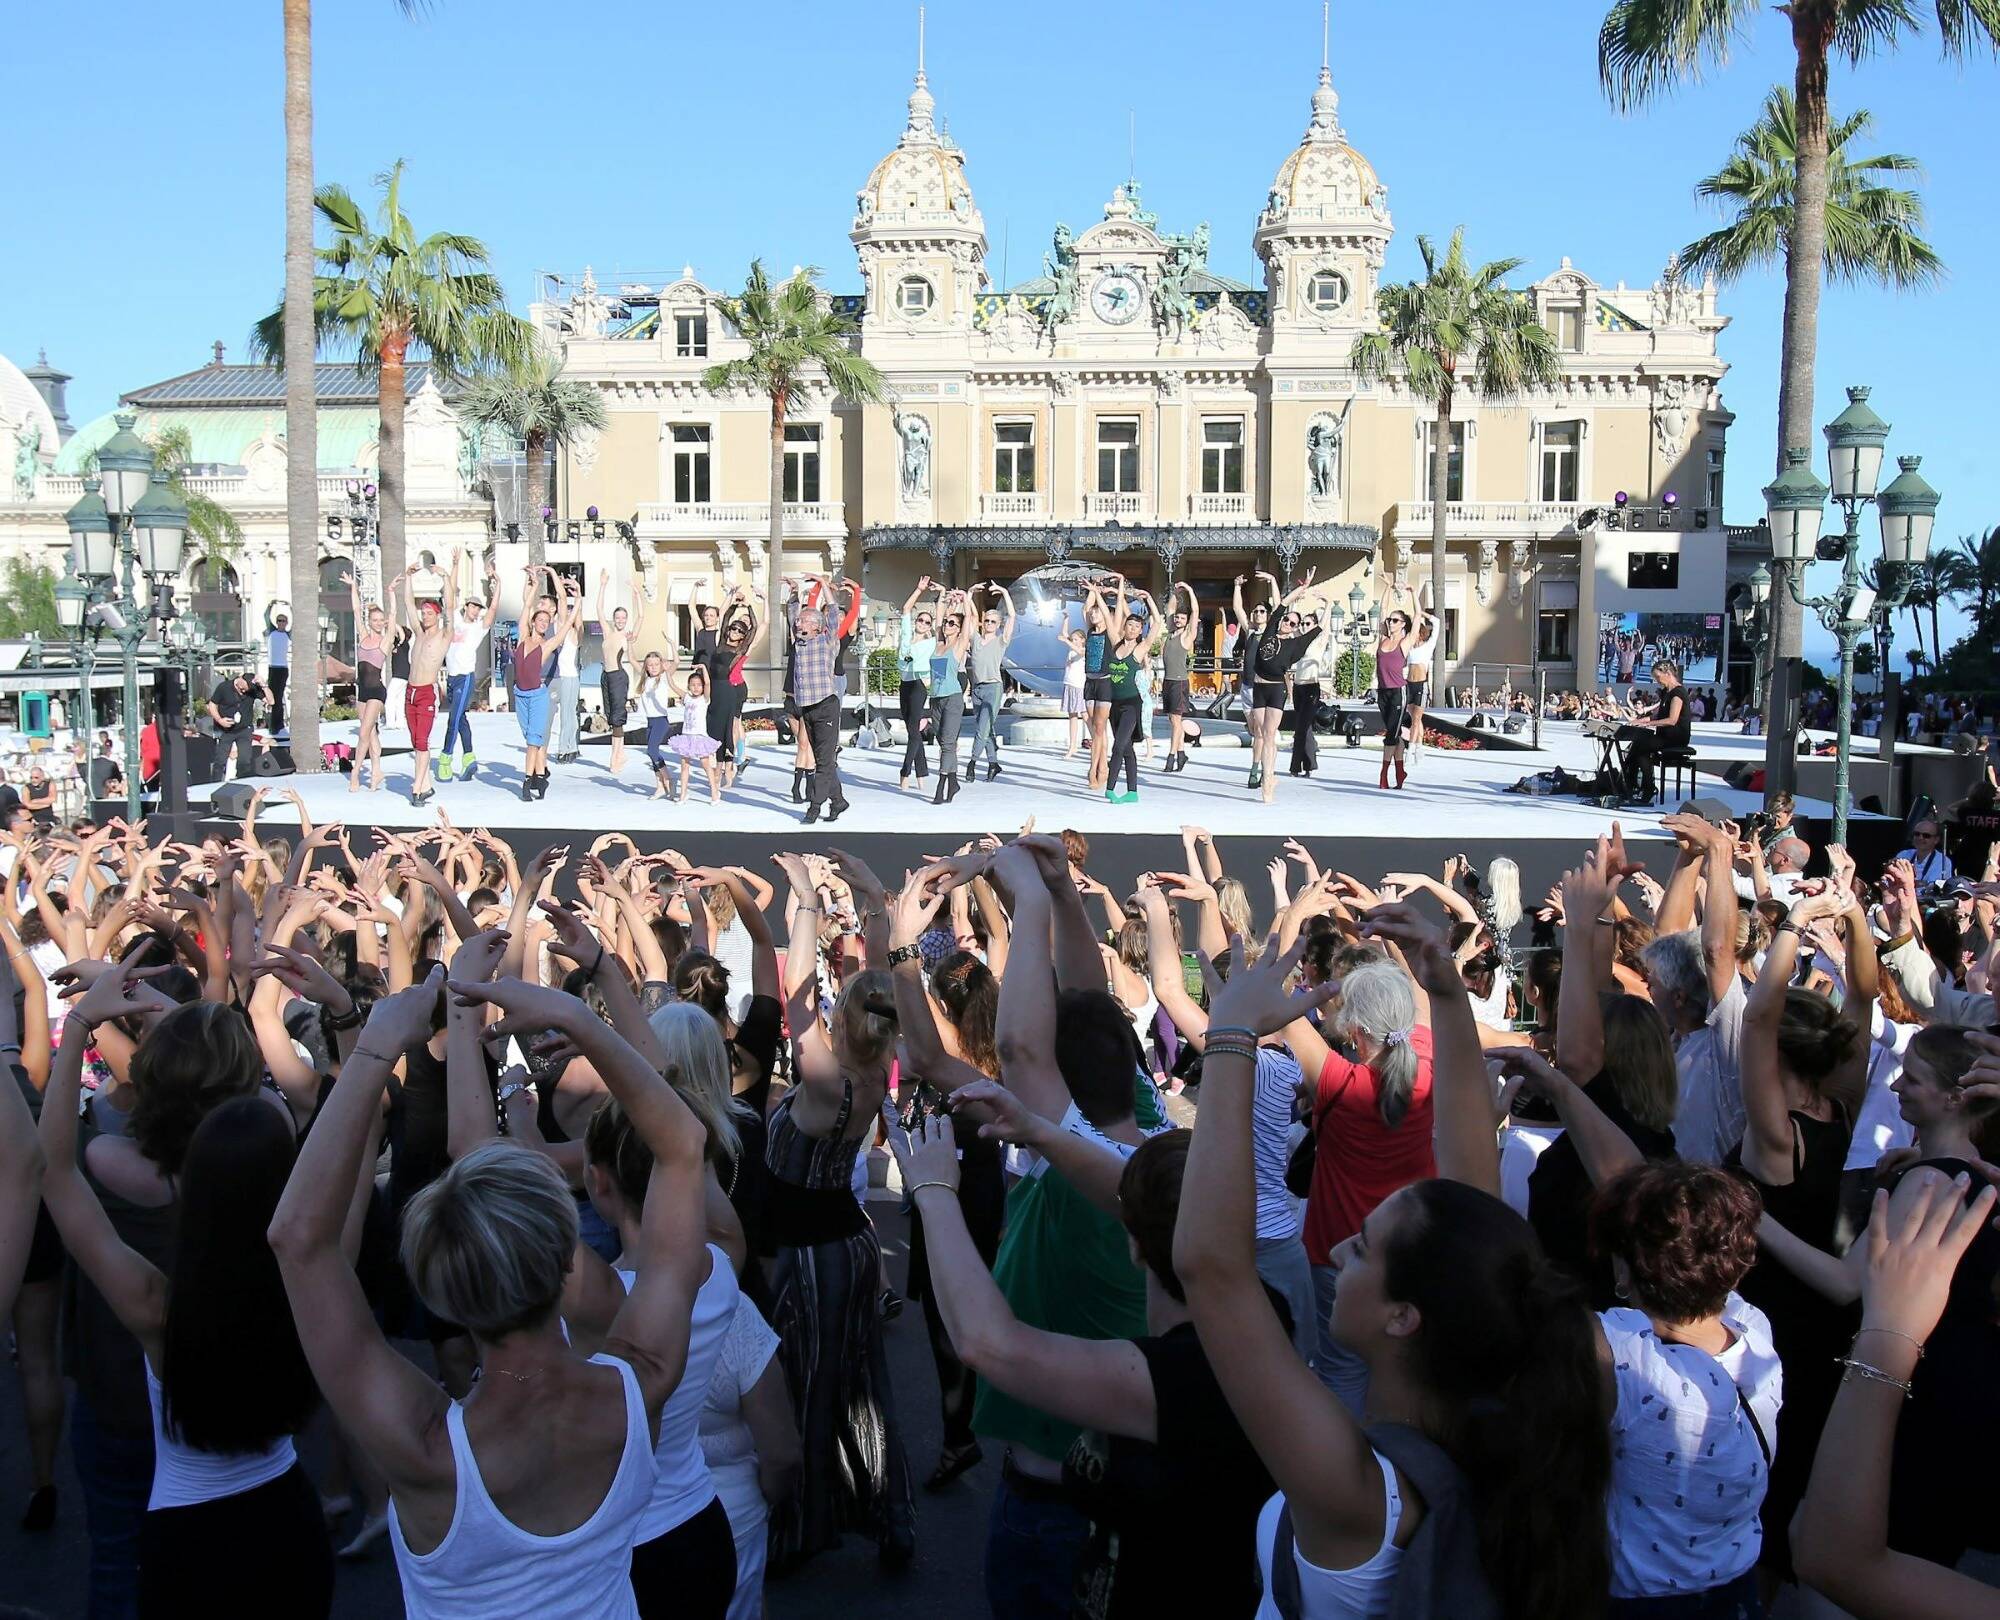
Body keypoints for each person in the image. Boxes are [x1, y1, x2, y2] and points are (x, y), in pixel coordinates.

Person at [1175, 916, 1612, 1620]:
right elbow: (1476, 1199)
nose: (1348, 1245)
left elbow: (1211, 1269)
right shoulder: (1527, 1443)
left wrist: (1231, 1033)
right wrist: (1442, 990)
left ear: (1403, 1316)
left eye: (1365, 1247)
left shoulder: (1348, 1492)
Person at [270, 962, 715, 1620]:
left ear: (444, 1296)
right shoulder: (641, 1382)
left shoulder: (425, 1451)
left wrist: (371, 1047)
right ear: (567, 1255)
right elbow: (682, 1144)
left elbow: (299, 1240)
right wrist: (579, 1019)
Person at [894, 1106, 1279, 1620]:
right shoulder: (1267, 1315)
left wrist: (934, 1191)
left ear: (1135, 1245)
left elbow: (986, 1342)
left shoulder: (1174, 1376)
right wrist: (1038, 1131)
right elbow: (1143, 1200)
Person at [39, 959, 332, 1618]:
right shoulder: (306, 1269)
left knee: (115, 1569)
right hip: (287, 1521)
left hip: (189, 1534)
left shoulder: (153, 1305)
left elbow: (52, 1170)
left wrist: (84, 1020)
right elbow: (258, 1103)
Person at [763, 853, 914, 1570]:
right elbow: (886, 987)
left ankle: (804, 1524)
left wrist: (805, 904)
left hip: (814, 1255)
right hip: (844, 1244)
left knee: (811, 1388)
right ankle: (887, 1516)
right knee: (860, 1383)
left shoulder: (826, 1082)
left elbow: (794, 997)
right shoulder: (869, 1070)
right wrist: (867, 893)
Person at [1244, 574, 1327, 805]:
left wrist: (1327, 605)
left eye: (1293, 623)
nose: (1287, 623)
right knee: (1259, 732)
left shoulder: (1296, 644)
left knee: (1270, 735)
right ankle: (1265, 773)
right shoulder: (1270, 630)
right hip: (1259, 688)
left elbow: (1320, 628)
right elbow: (1281, 604)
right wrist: (1299, 588)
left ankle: (1267, 779)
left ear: (1295, 628)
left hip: (1276, 689)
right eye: (1286, 620)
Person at [511, 565, 578, 802]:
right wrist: (535, 584)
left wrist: (577, 601)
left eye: (545, 620)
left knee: (533, 740)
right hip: (520, 695)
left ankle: (527, 782)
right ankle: (540, 776)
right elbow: (526, 607)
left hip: (539, 694)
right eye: (539, 619)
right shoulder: (521, 638)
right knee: (533, 739)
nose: (542, 622)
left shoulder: (547, 645)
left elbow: (565, 626)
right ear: (533, 621)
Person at [786, 589, 847, 825]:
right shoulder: (799, 642)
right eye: (799, 620)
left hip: (826, 705)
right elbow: (792, 615)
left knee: (824, 760)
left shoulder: (827, 640)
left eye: (803, 620)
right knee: (823, 759)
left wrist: (824, 585)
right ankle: (838, 800)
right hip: (807, 708)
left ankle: (815, 805)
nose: (798, 622)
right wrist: (793, 593)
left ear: (815, 626)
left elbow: (831, 614)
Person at [439, 550, 500, 783]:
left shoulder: (477, 630)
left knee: (452, 719)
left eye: (478, 607)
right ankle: (469, 757)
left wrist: (498, 583)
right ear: (467, 606)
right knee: (461, 718)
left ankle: (445, 757)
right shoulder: (454, 619)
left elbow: (493, 611)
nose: (475, 610)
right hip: (451, 677)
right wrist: (454, 564)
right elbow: (450, 595)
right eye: (473, 606)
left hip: (465, 677)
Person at [399, 563, 455, 808]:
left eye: (429, 613)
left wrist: (445, 577)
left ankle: (417, 788)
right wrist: (409, 578)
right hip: (410, 691)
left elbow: (451, 606)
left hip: (426, 692)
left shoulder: (444, 635)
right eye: (424, 613)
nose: (424, 616)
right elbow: (409, 604)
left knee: (423, 741)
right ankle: (425, 785)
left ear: (437, 615)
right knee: (416, 742)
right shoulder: (419, 634)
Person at [1102, 592, 1163, 804]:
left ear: (1139, 631)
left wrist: (1149, 600)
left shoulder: (1139, 650)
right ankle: (1133, 792)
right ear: (1125, 627)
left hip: (1131, 704)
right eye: (1129, 625)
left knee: (1118, 746)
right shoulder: (1115, 643)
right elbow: (1107, 618)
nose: (1132, 629)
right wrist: (1094, 593)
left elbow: (1157, 624)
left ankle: (1109, 789)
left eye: (1136, 627)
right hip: (1114, 704)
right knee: (1126, 748)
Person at [1617, 658, 1690, 806]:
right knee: (1637, 746)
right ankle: (1631, 786)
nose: (1657, 681)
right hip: (1664, 735)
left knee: (1640, 747)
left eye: (1658, 677)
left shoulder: (1678, 693)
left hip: (1675, 737)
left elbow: (1672, 720)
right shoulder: (1666, 692)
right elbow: (1659, 715)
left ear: (1668, 673)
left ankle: (1643, 788)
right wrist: (1642, 720)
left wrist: (1648, 724)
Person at [1230, 571, 1279, 788]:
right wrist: (1237, 587)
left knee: (1260, 731)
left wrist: (1273, 582)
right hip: (1247, 687)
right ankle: (1258, 765)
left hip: (1262, 688)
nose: (1257, 614)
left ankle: (1255, 769)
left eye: (1261, 611)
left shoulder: (1270, 632)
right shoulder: (1250, 631)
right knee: (1253, 731)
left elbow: (1279, 607)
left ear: (1267, 616)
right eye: (1255, 611)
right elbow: (1237, 609)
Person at [965, 582, 1017, 784]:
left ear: (998, 625)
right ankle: (993, 764)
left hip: (993, 688)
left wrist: (1004, 592)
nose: (988, 624)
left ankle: (972, 763)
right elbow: (968, 618)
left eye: (993, 622)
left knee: (982, 729)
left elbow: (1012, 616)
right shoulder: (976, 640)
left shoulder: (1000, 641)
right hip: (977, 689)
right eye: (986, 620)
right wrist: (968, 594)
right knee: (985, 729)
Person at [349, 569, 392, 793]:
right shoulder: (364, 637)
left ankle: (355, 773)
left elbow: (393, 619)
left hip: (376, 691)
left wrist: (392, 593)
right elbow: (356, 611)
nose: (377, 623)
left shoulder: (385, 641)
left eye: (380, 620)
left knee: (364, 733)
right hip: (362, 691)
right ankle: (376, 771)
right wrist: (353, 588)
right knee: (372, 734)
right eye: (374, 620)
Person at [927, 592, 972, 806]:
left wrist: (967, 598)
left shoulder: (959, 645)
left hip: (952, 697)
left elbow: (969, 621)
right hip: (935, 698)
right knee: (944, 741)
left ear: (959, 628)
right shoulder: (938, 644)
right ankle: (953, 780)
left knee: (947, 744)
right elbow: (938, 617)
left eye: (952, 623)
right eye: (946, 622)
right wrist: (943, 597)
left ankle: (941, 785)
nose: (947, 625)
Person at [663, 659, 724, 805]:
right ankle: (683, 794)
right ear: (689, 686)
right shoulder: (687, 698)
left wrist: (703, 668)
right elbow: (672, 685)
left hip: (700, 736)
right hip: (687, 736)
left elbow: (708, 684)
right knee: (684, 765)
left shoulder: (704, 699)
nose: (696, 688)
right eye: (693, 685)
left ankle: (714, 792)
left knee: (705, 764)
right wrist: (666, 670)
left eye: (699, 685)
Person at [1395, 582, 1441, 770]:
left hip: (1421, 684)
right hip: (1409, 684)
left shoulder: (1428, 646)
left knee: (1416, 719)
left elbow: (1436, 623)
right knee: (1415, 717)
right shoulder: (1410, 647)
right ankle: (1419, 746)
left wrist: (1422, 614)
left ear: (1422, 633)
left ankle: (1411, 749)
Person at [896, 577, 936, 791]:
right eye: (920, 620)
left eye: (927, 622)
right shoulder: (907, 635)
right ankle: (922, 774)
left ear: (930, 627)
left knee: (913, 731)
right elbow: (906, 608)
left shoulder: (931, 643)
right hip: (904, 684)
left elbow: (944, 626)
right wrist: (919, 590)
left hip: (919, 685)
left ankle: (905, 773)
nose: (922, 623)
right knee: (913, 731)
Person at [1082, 577, 1122, 792]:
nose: (1093, 614)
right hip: (1089, 682)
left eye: (1097, 612)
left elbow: (1106, 612)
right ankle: (1101, 765)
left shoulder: (1110, 632)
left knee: (1099, 728)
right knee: (1095, 730)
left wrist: (1099, 595)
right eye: (1092, 612)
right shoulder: (1090, 631)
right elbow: (1087, 608)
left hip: (1105, 683)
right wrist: (1092, 589)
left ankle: (1095, 770)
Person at [1159, 582, 1199, 775]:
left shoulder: (1187, 636)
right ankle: (1181, 753)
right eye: (1177, 618)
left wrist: (1189, 591)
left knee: (1176, 721)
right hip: (1167, 681)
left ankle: (1172, 756)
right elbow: (1170, 608)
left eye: (1182, 618)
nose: (1178, 620)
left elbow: (1196, 611)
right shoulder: (1170, 633)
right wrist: (1175, 593)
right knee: (1172, 720)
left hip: (1179, 681)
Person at [597, 570, 633, 779]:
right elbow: (599, 609)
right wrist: (603, 585)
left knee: (618, 718)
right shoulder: (608, 632)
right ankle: (618, 753)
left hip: (619, 677)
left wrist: (636, 595)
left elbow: (641, 618)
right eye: (617, 617)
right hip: (605, 676)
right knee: (611, 716)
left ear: (626, 620)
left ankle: (616, 755)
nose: (620, 620)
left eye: (623, 617)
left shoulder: (626, 636)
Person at [1373, 601, 1411, 790]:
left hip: (1398, 692)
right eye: (1390, 620)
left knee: (1391, 735)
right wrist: (1387, 587)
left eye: (1395, 620)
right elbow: (1381, 611)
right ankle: (1400, 771)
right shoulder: (1383, 639)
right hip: (1382, 692)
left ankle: (1383, 774)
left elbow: (1419, 617)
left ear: (1403, 623)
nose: (1391, 623)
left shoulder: (1404, 643)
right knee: (1394, 733)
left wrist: (1412, 594)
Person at [549, 575, 584, 765]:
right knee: (567, 714)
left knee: (569, 714)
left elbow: (578, 620)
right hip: (561, 676)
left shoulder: (575, 635)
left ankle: (568, 747)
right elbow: (562, 602)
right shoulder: (560, 628)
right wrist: (559, 586)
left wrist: (578, 594)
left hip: (570, 677)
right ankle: (568, 747)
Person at [203, 673, 262, 782]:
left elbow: (271, 701)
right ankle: (215, 782)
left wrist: (264, 685)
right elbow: (212, 704)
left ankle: (242, 781)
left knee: (245, 759)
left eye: (247, 689)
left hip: (244, 728)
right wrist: (220, 720)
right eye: (244, 687)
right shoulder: (224, 687)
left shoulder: (252, 691)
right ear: (240, 679)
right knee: (220, 759)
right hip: (226, 729)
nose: (245, 690)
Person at [636, 652, 678, 801]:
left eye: (656, 664)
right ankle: (660, 786)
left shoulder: (664, 678)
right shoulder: (645, 680)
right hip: (650, 721)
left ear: (661, 665)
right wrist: (629, 644)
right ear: (646, 667)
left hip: (661, 720)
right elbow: (633, 660)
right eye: (650, 665)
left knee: (652, 750)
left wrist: (672, 644)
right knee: (652, 754)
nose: (653, 667)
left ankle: (669, 780)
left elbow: (677, 661)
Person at [1895, 819, 1955, 887]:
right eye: (1917, 834)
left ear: (1936, 840)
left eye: (1926, 835)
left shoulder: (1943, 862)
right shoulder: (1903, 855)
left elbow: (1934, 886)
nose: (1920, 838)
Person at [1061, 622, 1087, 759]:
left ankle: (1097, 739)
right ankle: (1072, 745)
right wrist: (1066, 619)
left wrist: (1067, 641)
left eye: (1077, 639)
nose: (1074, 641)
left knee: (1086, 715)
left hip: (1079, 687)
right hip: (1069, 684)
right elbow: (1065, 634)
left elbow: (1079, 651)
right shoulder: (1071, 649)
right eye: (1073, 639)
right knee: (1072, 716)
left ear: (1082, 640)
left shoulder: (1083, 650)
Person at [264, 612, 291, 735]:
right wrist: (271, 606)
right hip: (273, 668)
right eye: (279, 621)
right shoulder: (272, 631)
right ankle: (275, 723)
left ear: (286, 623)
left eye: (283, 621)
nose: (281, 623)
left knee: (279, 696)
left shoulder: (288, 634)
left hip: (282, 668)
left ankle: (277, 724)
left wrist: (290, 608)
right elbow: (266, 616)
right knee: (273, 696)